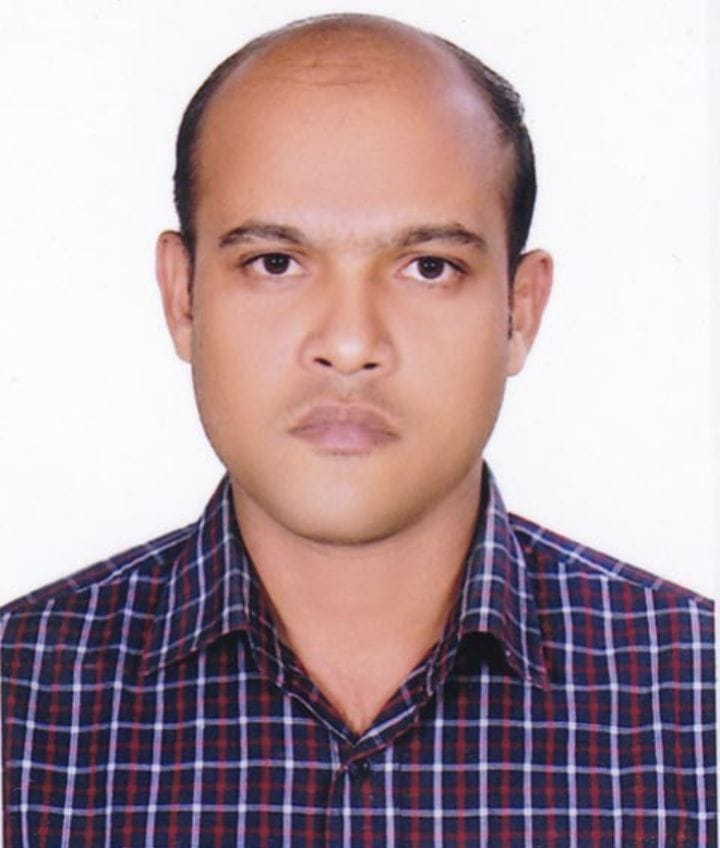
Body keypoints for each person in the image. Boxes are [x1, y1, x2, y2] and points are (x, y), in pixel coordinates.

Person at [0, 13, 714, 847]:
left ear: (519, 311)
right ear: (183, 296)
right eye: (274, 263)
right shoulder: (20, 706)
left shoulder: (700, 706)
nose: (348, 344)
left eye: (429, 267)